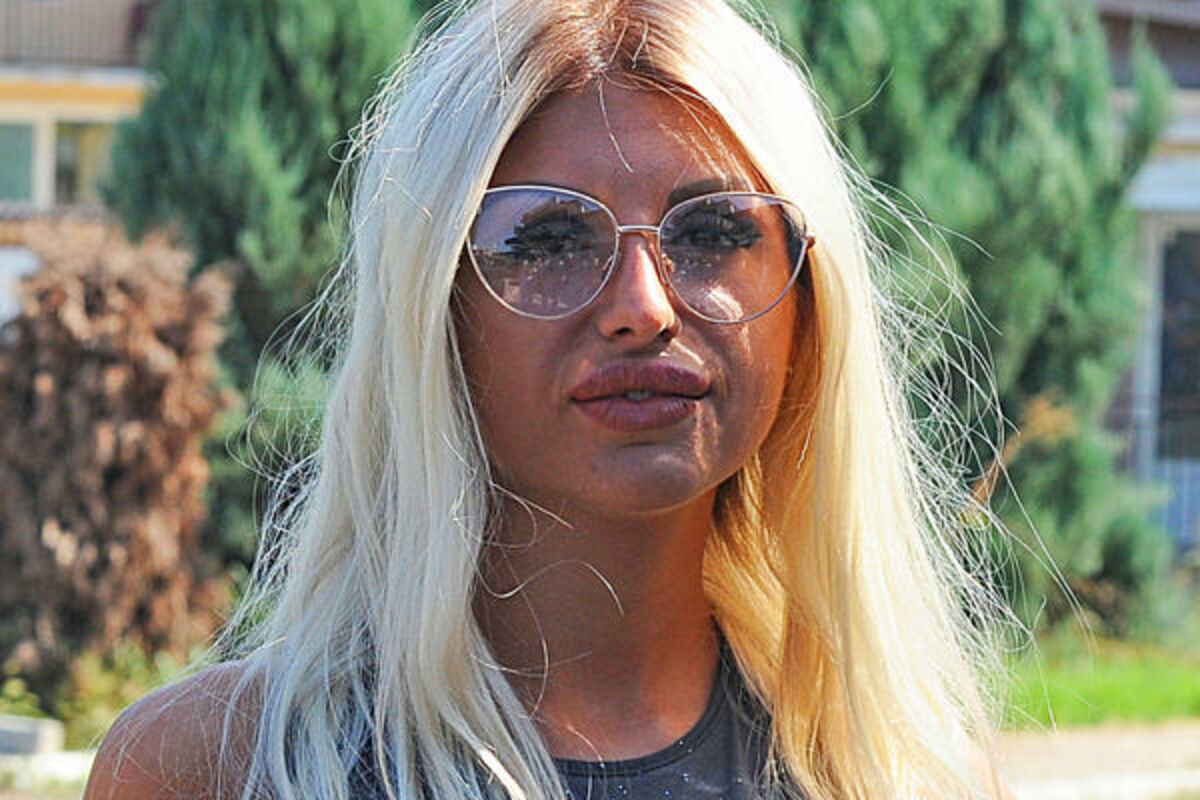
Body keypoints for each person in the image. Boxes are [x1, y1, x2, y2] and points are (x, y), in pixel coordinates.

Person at [85, 0, 1013, 797]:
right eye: (545, 238)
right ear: (433, 310)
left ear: (807, 305)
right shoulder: (218, 768)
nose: (644, 307)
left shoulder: (904, 774)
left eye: (713, 230)